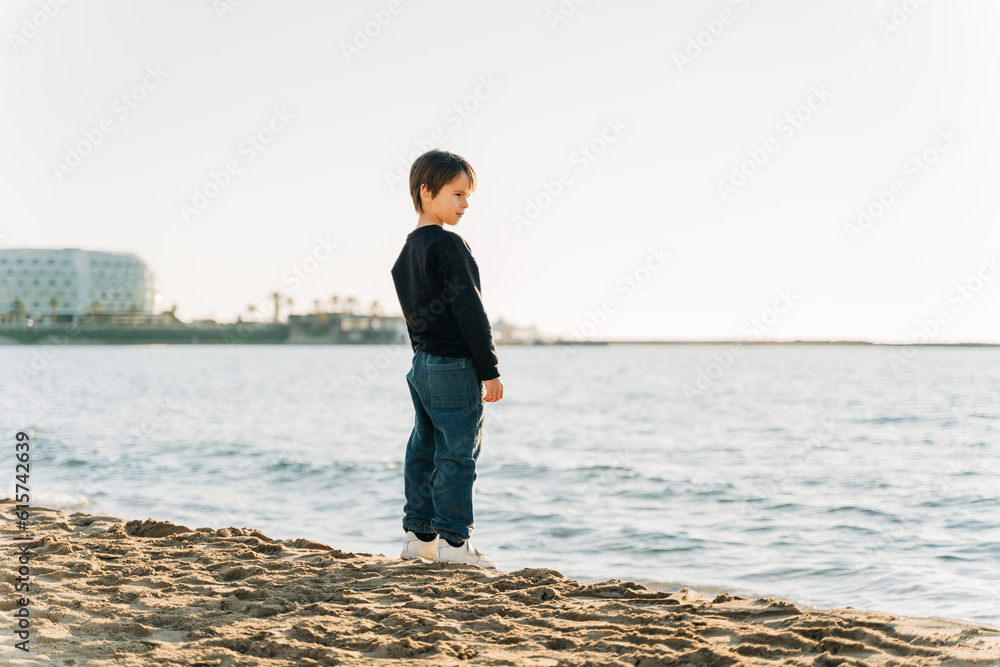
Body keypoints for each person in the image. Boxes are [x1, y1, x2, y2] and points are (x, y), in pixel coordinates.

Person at [390, 148, 503, 569]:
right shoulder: (449, 245)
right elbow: (471, 312)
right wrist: (490, 370)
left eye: (467, 195)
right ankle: (455, 544)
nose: (465, 204)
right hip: (454, 365)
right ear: (426, 191)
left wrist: (424, 360)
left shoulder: (406, 252)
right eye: (457, 194)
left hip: (422, 364)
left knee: (423, 448)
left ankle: (419, 538)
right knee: (457, 454)